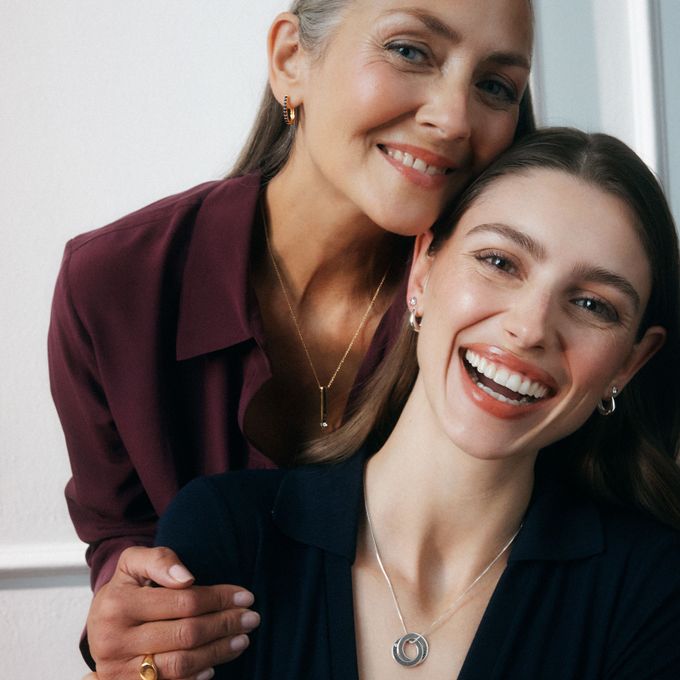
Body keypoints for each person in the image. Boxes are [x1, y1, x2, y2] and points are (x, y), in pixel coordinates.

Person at [47, 0, 535, 677]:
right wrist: (124, 610)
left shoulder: (501, 311)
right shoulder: (113, 281)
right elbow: (119, 532)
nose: (453, 119)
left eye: (494, 86)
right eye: (411, 51)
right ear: (289, 60)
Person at [156, 128, 680, 680]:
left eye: (594, 304)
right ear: (424, 271)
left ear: (630, 362)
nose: (529, 329)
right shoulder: (226, 531)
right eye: (500, 262)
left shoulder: (654, 591)